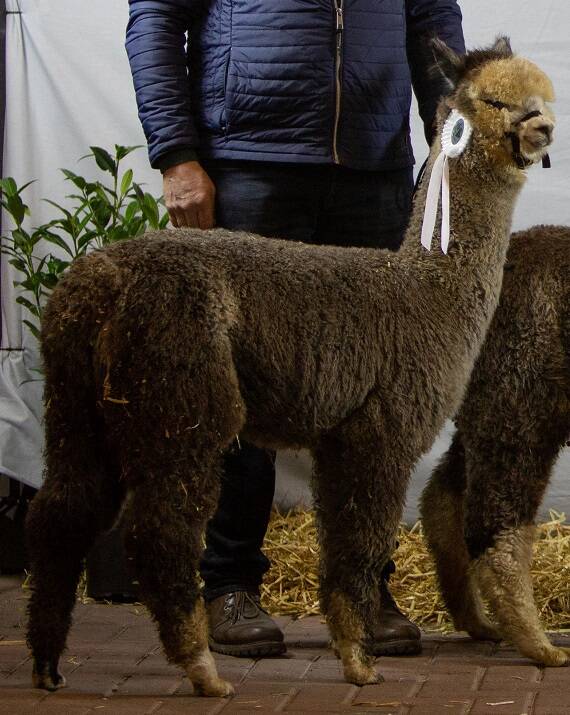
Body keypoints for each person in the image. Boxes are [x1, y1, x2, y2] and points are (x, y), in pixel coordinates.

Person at [126, 0, 465, 659]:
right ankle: (228, 583)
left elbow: (432, 22)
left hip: (374, 170)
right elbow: (156, 18)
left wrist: (449, 133)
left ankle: (362, 586)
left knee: (375, 403)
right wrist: (176, 155)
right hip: (250, 165)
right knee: (237, 384)